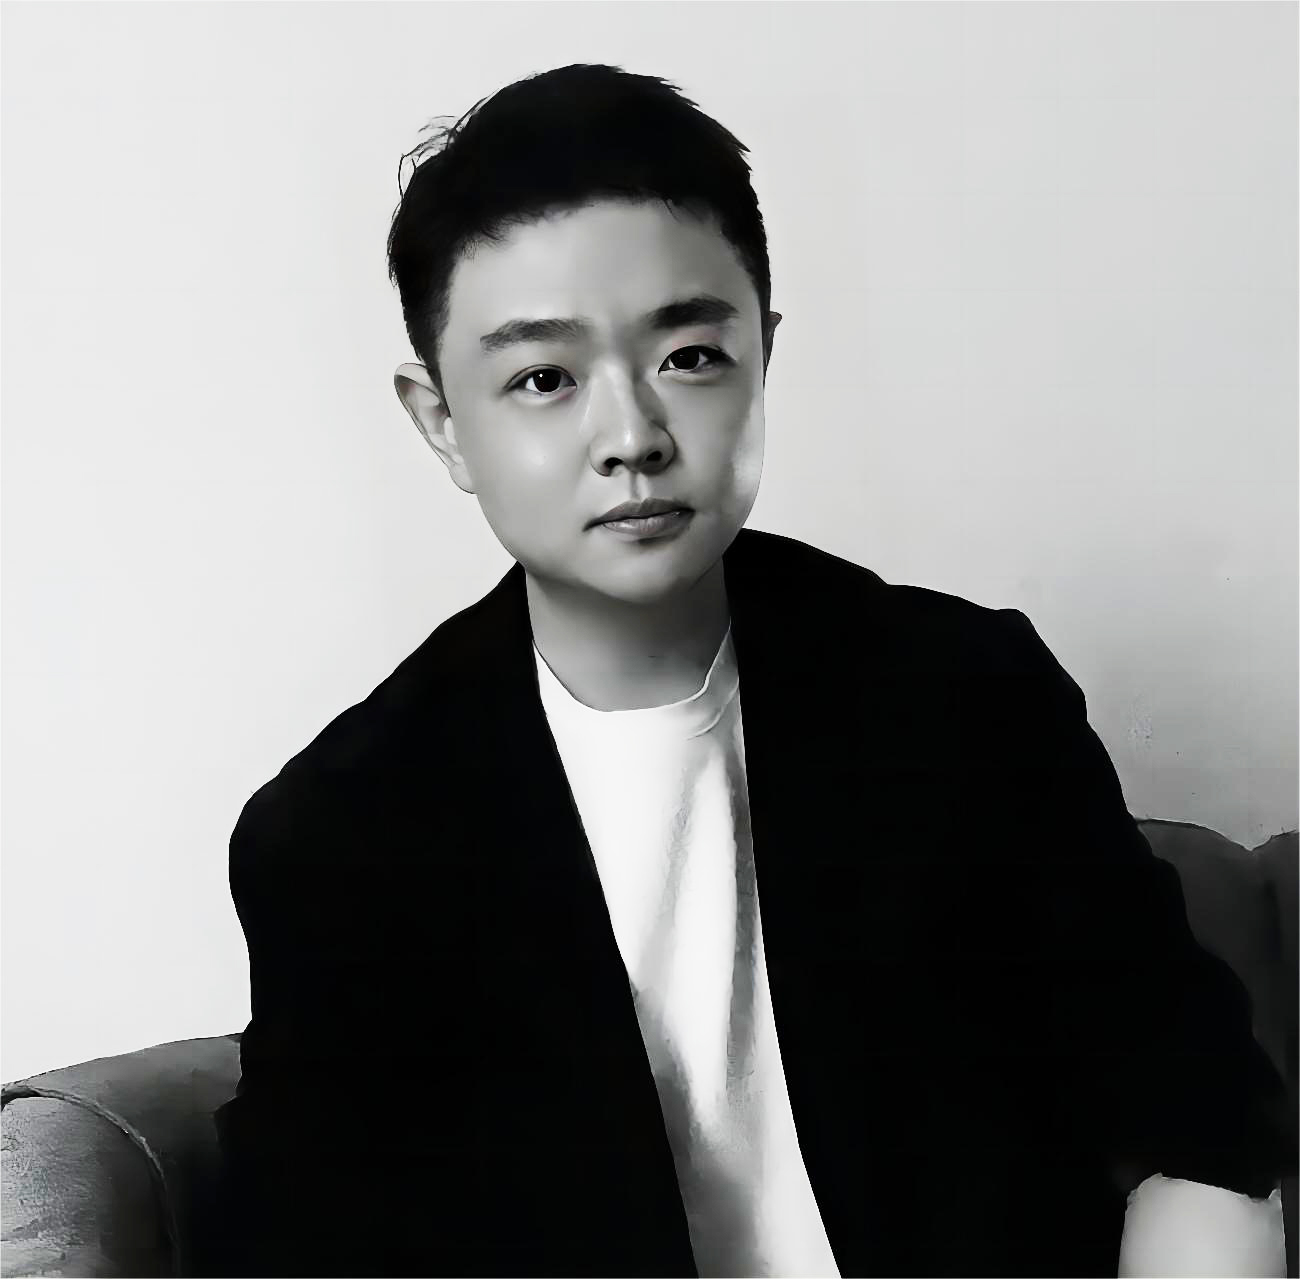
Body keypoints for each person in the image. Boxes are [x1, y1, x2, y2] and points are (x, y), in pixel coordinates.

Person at [213, 63, 1296, 1277]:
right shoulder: (344, 836)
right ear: (442, 423)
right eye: (543, 380)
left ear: (762, 354)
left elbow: (1207, 1127)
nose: (633, 436)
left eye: (689, 355)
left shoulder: (959, 698)